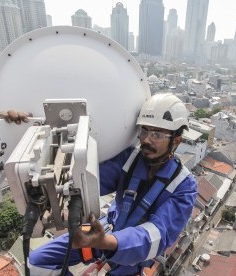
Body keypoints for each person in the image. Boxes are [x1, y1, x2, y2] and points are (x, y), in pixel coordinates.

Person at [20, 93, 198, 275]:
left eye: (156, 134)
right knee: (35, 264)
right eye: (144, 131)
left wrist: (105, 242)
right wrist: (24, 126)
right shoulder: (129, 159)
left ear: (176, 141)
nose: (146, 140)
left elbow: (157, 235)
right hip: (103, 231)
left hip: (131, 256)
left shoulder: (184, 186)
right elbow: (87, 181)